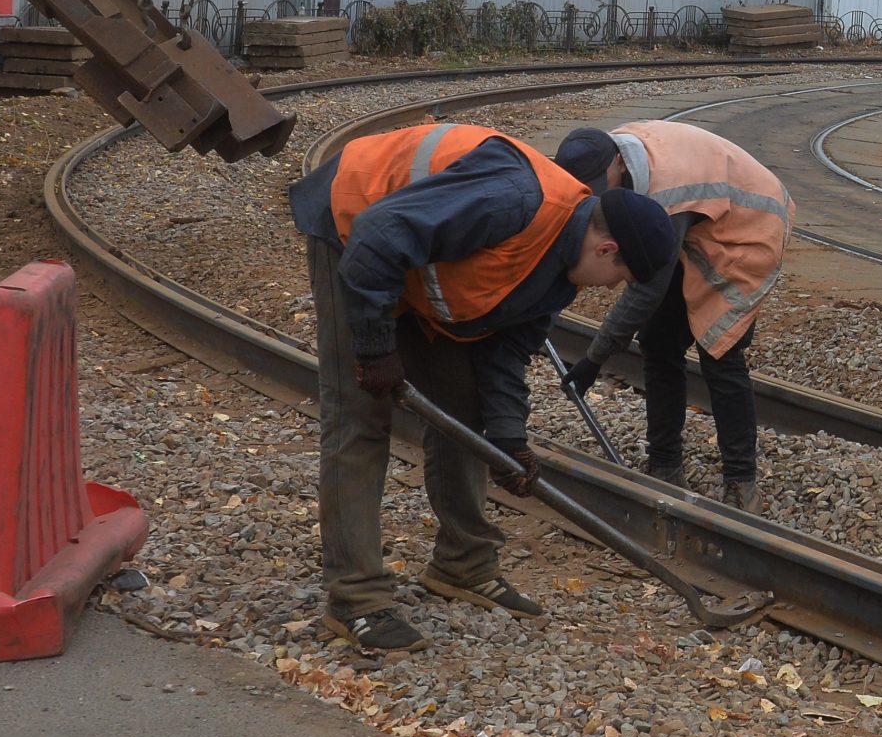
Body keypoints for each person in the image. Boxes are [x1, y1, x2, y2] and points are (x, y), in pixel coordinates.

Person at [289, 120, 679, 653]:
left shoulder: (561, 270)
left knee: (462, 406)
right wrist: (377, 347)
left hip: (415, 256)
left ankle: (463, 564)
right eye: (621, 279)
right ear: (608, 250)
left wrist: (508, 438)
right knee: (361, 416)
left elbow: (506, 350)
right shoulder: (513, 201)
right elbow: (378, 238)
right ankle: (357, 598)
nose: (612, 289)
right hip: (353, 225)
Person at [551, 122, 792, 511]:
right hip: (699, 228)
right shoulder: (599, 151)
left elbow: (646, 288)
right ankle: (665, 464)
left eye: (600, 183)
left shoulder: (665, 194)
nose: (597, 193)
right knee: (659, 343)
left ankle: (741, 481)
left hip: (746, 227)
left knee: (720, 352)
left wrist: (594, 358)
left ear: (616, 161)